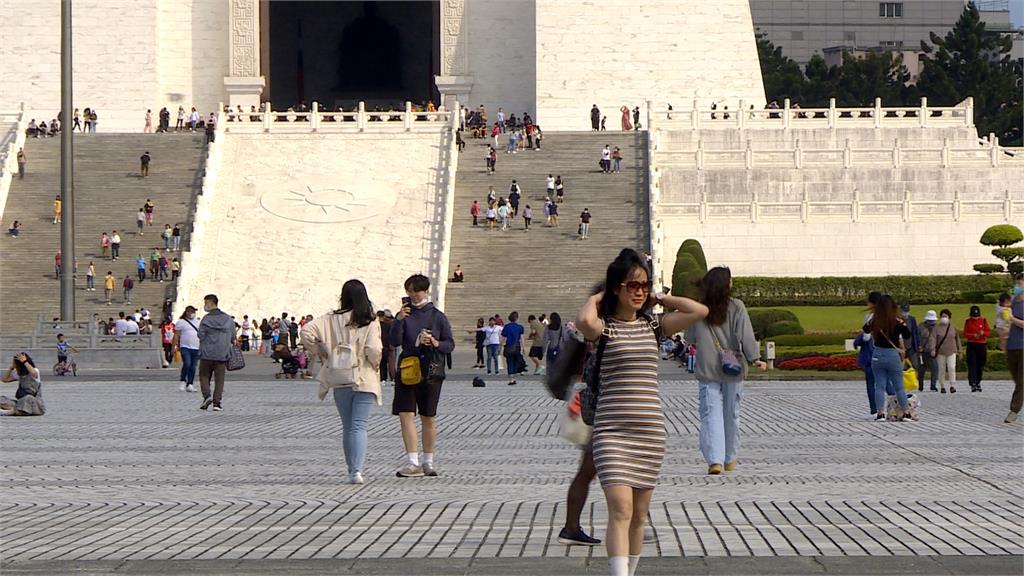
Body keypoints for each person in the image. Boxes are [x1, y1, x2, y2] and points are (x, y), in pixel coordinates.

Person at [573, 248, 708, 575]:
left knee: (639, 514)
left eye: (643, 286)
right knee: (620, 508)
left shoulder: (654, 326)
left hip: (648, 435)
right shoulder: (605, 329)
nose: (638, 292)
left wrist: (660, 298)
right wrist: (601, 295)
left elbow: (698, 310)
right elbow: (583, 321)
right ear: (617, 287)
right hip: (611, 433)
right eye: (632, 286)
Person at [301, 279, 383, 484]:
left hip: (340, 376)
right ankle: (357, 470)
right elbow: (373, 349)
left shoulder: (330, 319)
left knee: (348, 426)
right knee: (359, 425)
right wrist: (375, 364)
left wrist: (320, 349)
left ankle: (351, 470)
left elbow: (305, 332)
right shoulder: (370, 320)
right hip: (364, 377)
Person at [686, 266, 765, 473]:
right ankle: (730, 457)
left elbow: (689, 337)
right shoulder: (737, 306)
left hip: (707, 367)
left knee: (711, 412)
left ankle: (715, 460)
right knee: (731, 413)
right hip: (733, 367)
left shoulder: (699, 308)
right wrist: (755, 358)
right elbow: (745, 334)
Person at [390, 274, 454, 477]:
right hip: (408, 368)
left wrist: (435, 343)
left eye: (416, 291)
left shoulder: (438, 316)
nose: (413, 296)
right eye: (409, 292)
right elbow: (394, 341)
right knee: (405, 414)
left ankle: (428, 460)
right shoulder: (404, 315)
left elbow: (450, 344)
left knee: (428, 417)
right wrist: (398, 320)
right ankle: (412, 461)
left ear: (425, 291)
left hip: (430, 371)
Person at [866, 295, 913, 420]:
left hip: (877, 354)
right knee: (899, 386)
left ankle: (880, 413)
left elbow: (865, 329)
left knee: (879, 386)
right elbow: (907, 335)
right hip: (892, 355)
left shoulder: (875, 320)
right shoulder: (897, 320)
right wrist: (902, 323)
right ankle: (906, 412)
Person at [197, 294, 235, 411]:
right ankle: (217, 403)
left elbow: (200, 335)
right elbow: (233, 336)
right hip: (222, 354)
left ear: (210, 303)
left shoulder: (206, 319)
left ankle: (207, 395)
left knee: (204, 375)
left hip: (207, 353)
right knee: (220, 379)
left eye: (205, 303)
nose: (205, 305)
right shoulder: (228, 319)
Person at [1004, 273, 1023, 423]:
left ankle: (1013, 410)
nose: (1017, 287)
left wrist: (1012, 319)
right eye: (1017, 284)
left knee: (1022, 381)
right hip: (1011, 346)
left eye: (1020, 284)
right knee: (1017, 380)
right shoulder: (1011, 304)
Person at [963, 305, 991, 393]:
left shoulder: (983, 320)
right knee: (972, 364)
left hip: (981, 344)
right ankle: (973, 383)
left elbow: (988, 331)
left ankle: (978, 381)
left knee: (980, 364)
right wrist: (973, 335)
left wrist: (983, 333)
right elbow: (965, 333)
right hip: (972, 344)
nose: (975, 318)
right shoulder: (968, 321)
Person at [853, 330, 877, 418]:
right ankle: (895, 408)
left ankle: (875, 410)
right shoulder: (887, 330)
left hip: (870, 362)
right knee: (887, 385)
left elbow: (856, 343)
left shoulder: (867, 334)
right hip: (885, 360)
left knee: (871, 386)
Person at [501, 312, 526, 386]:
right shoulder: (520, 327)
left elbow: (503, 338)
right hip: (517, 347)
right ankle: (514, 377)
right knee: (516, 362)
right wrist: (524, 347)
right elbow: (522, 338)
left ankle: (511, 379)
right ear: (516, 318)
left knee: (510, 362)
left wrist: (500, 347)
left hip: (509, 346)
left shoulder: (506, 327)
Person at [918, 310, 939, 391]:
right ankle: (920, 386)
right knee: (922, 369)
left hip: (933, 351)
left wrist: (935, 349)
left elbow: (939, 339)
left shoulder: (937, 327)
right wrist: (919, 346)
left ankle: (933, 385)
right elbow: (917, 337)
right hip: (922, 351)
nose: (931, 321)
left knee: (935, 368)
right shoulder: (921, 326)